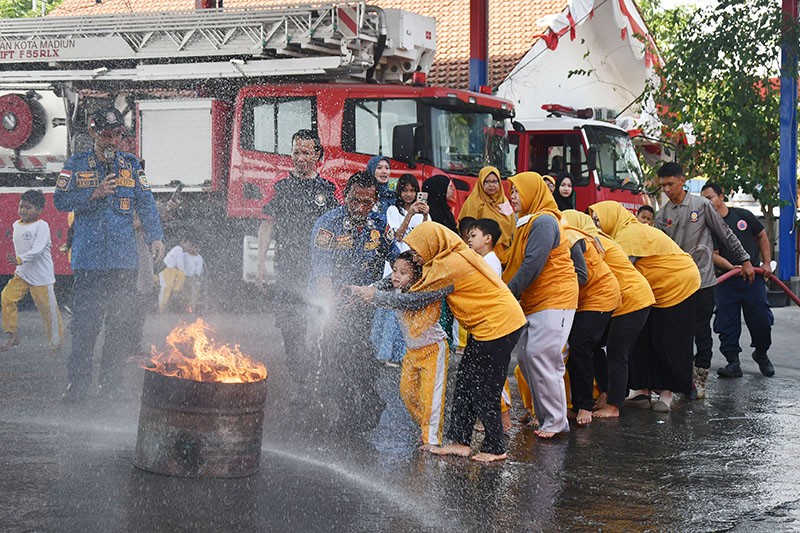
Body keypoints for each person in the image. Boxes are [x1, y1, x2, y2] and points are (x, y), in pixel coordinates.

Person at [54, 107, 164, 402]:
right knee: (85, 328)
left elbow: (146, 203)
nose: (113, 141)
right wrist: (93, 194)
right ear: (93, 133)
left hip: (123, 263)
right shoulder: (76, 164)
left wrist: (155, 237)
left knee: (119, 326)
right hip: (89, 263)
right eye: (106, 135)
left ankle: (110, 386)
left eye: (117, 135)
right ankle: (77, 386)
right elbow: (60, 200)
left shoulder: (131, 165)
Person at [308, 171, 400, 434]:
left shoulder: (378, 223)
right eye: (355, 200)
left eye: (367, 202)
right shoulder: (329, 224)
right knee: (334, 357)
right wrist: (332, 311)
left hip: (363, 305)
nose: (360, 208)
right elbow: (322, 272)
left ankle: (368, 401)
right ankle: (343, 410)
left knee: (359, 355)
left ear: (375, 200)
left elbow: (395, 257)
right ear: (345, 196)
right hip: (333, 305)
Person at [589, 201, 700, 413]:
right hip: (651, 290)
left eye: (598, 219)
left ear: (611, 216)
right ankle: (642, 390)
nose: (596, 225)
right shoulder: (620, 234)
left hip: (678, 284)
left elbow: (620, 270)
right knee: (641, 338)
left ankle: (666, 394)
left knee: (668, 341)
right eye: (593, 220)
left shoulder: (628, 235)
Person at [655, 162, 754, 399]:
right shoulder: (662, 215)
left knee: (700, 330)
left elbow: (725, 234)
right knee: (679, 333)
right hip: (676, 285)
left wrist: (745, 259)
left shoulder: (702, 206)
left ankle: (700, 379)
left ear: (682, 181)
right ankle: (681, 379)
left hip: (702, 282)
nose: (667, 189)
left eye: (670, 184)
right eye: (663, 185)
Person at [503, 172, 581, 438]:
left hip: (556, 297)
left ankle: (556, 421)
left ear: (531, 193)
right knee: (526, 356)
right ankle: (545, 415)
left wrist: (508, 293)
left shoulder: (545, 221)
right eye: (511, 192)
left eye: (517, 191)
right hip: (535, 299)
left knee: (543, 355)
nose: (513, 197)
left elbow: (533, 264)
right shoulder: (526, 222)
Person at [257, 129, 339, 367]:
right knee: (290, 318)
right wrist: (260, 265)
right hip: (288, 263)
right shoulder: (280, 185)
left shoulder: (329, 187)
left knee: (321, 316)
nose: (300, 158)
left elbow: (339, 227)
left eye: (306, 153)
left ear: (318, 155)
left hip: (320, 266)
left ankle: (320, 364)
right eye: (296, 152)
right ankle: (296, 364)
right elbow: (266, 225)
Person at [562, 210, 655, 419]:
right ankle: (605, 392)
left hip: (632, 297)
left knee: (616, 351)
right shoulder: (593, 238)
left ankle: (613, 405)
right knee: (593, 346)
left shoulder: (587, 241)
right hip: (621, 297)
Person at [357, 251, 450, 449]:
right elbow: (381, 286)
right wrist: (363, 291)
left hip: (433, 350)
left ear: (416, 277)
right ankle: (425, 427)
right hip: (412, 351)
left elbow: (402, 302)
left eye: (403, 273)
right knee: (408, 394)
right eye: (394, 270)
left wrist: (374, 294)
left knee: (430, 397)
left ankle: (432, 439)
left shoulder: (420, 294)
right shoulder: (396, 287)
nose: (396, 276)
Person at [700, 183, 775, 377]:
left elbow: (762, 236)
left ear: (721, 196)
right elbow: (713, 254)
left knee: (761, 319)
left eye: (710, 198)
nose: (707, 203)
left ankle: (761, 353)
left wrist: (766, 263)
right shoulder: (708, 227)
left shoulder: (743, 216)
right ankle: (732, 362)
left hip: (753, 278)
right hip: (725, 281)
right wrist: (732, 268)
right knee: (727, 323)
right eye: (703, 200)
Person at [560, 216, 621, 426]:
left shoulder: (570, 238)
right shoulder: (563, 236)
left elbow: (581, 275)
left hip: (600, 296)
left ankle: (585, 405)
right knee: (578, 347)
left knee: (580, 346)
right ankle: (579, 403)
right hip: (584, 298)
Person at [466, 217, 514, 432]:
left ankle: (504, 417)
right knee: (487, 373)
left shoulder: (490, 262)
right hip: (485, 323)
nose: (469, 239)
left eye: (473, 235)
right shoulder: (483, 260)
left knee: (494, 373)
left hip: (492, 325)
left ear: (487, 238)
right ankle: (491, 417)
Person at [1, 190, 63, 353]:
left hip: (41, 277)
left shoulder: (42, 226)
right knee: (6, 297)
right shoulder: (16, 225)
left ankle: (56, 343)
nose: (23, 210)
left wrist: (20, 259)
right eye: (21, 206)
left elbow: (37, 249)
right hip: (22, 275)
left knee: (48, 311)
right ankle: (12, 334)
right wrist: (19, 263)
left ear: (39, 210)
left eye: (28, 207)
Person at [457, 166, 515, 254]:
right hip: (481, 252)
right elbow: (467, 230)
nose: (491, 185)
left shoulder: (504, 201)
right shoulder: (473, 202)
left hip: (504, 251)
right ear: (481, 183)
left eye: (494, 181)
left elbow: (512, 226)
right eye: (487, 182)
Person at [158, 237, 204, 313]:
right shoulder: (180, 251)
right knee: (167, 288)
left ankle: (189, 305)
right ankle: (164, 306)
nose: (188, 247)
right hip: (171, 271)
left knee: (193, 287)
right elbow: (180, 265)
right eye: (189, 245)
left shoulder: (198, 257)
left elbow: (198, 270)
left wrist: (194, 276)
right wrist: (183, 273)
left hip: (190, 277)